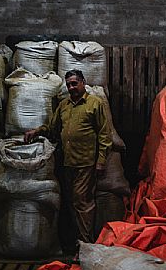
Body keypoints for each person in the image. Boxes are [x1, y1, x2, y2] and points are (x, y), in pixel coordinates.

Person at [24, 69, 112, 249]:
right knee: (72, 203)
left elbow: (104, 135)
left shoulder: (95, 104)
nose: (71, 87)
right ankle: (78, 243)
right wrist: (37, 132)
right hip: (67, 163)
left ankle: (85, 246)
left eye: (74, 83)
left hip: (86, 163)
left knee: (82, 203)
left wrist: (101, 161)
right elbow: (53, 128)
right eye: (69, 84)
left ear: (83, 83)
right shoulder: (64, 105)